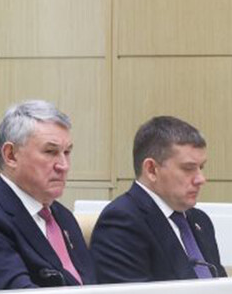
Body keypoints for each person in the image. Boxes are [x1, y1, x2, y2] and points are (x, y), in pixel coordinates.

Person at [0, 100, 97, 289]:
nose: (64, 166)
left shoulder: (64, 216)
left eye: (67, 152)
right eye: (51, 152)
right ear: (11, 155)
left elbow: (93, 286)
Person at [91, 116, 223, 282]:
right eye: (188, 168)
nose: (201, 179)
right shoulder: (122, 223)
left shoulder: (200, 221)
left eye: (201, 167)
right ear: (151, 170)